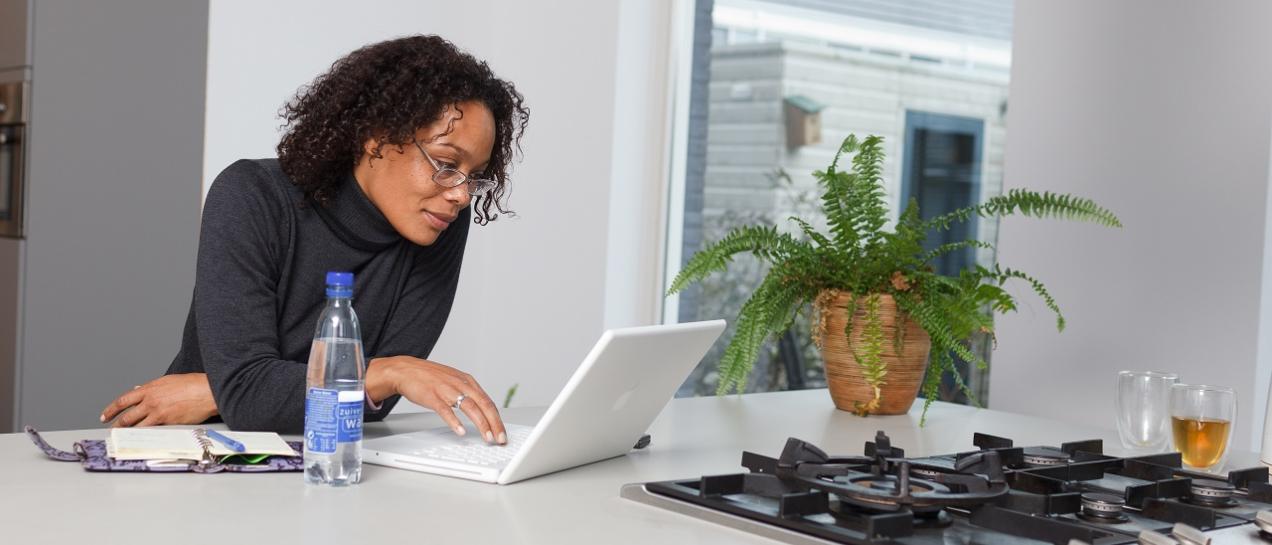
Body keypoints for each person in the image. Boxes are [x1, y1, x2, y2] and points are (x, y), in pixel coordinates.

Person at [98, 35, 528, 445]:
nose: (459, 192)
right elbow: (372, 383)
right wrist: (386, 372)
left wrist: (221, 391)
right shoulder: (252, 196)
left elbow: (372, 403)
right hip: (204, 447)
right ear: (376, 136)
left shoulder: (442, 219)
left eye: (474, 177)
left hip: (328, 453)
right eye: (447, 162)